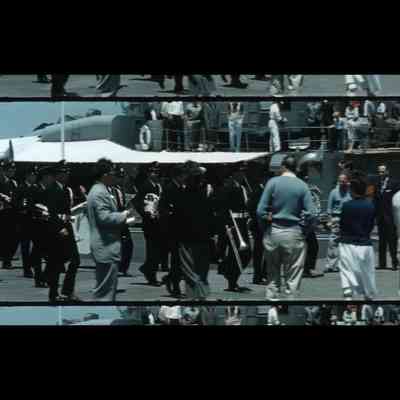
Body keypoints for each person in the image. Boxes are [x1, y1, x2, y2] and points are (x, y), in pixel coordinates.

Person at [257, 156, 315, 300]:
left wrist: (265, 228)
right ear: (296, 168)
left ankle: (272, 306)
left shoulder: (273, 182)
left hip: (274, 231)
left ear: (283, 167)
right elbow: (312, 214)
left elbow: (260, 211)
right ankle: (290, 305)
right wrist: (304, 231)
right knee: (293, 276)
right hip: (294, 231)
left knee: (272, 275)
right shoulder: (302, 185)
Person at [86, 158, 135, 301]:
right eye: (113, 173)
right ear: (105, 175)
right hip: (105, 245)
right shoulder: (99, 192)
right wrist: (125, 215)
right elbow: (104, 217)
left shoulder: (101, 190)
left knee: (106, 288)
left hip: (107, 245)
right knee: (105, 291)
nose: (115, 177)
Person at [174, 162, 215, 300]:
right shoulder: (206, 195)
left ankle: (195, 298)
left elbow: (177, 217)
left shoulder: (181, 194)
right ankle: (202, 296)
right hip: (203, 237)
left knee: (190, 273)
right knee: (202, 272)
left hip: (186, 238)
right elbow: (211, 216)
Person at [338, 171, 377, 300]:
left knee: (347, 273)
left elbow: (342, 225)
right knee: (367, 275)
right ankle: (368, 298)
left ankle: (348, 298)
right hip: (365, 244)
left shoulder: (346, 206)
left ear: (352, 190)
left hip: (347, 243)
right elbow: (371, 225)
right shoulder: (370, 206)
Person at [45, 160, 82, 302]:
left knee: (75, 260)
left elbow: (66, 211)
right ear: (57, 174)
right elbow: (50, 213)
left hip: (67, 229)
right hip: (57, 231)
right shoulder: (51, 190)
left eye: (67, 172)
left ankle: (67, 291)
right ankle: (54, 293)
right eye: (63, 173)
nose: (66, 175)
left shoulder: (66, 190)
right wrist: (59, 228)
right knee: (56, 263)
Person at [216, 163, 252, 292]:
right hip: (233, 224)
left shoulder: (242, 188)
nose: (243, 174)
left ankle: (229, 272)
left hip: (242, 223)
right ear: (234, 174)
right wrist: (227, 225)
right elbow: (223, 208)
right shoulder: (228, 187)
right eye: (240, 172)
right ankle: (232, 280)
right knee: (236, 254)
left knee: (246, 253)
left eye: (244, 172)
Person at [158, 165, 189, 298]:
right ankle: (175, 288)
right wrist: (172, 214)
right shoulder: (169, 188)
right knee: (176, 260)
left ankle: (170, 278)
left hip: (181, 229)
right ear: (178, 176)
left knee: (180, 260)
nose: (185, 177)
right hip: (172, 230)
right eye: (184, 175)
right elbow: (162, 207)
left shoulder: (182, 188)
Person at [133, 162, 163, 286]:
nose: (155, 174)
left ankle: (147, 268)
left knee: (158, 249)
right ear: (148, 173)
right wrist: (145, 213)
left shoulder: (158, 186)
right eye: (153, 172)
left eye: (157, 172)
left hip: (158, 221)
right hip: (149, 222)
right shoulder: (145, 186)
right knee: (152, 250)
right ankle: (151, 275)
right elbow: (136, 201)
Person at [13, 165, 39, 278]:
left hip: (35, 220)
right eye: (32, 175)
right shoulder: (20, 188)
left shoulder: (36, 188)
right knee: (25, 245)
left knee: (38, 244)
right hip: (24, 220)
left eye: (35, 175)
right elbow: (14, 202)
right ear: (27, 176)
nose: (34, 177)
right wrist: (22, 208)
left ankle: (31, 262)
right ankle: (27, 269)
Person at [325, 173, 352, 273]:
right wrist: (329, 220)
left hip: (348, 219)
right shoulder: (334, 192)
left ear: (347, 181)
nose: (341, 183)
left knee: (347, 243)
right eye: (340, 181)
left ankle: (344, 265)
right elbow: (329, 208)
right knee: (333, 243)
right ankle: (330, 265)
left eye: (343, 181)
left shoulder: (351, 192)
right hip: (336, 218)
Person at [374, 164, 400, 270]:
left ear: (387, 172)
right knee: (381, 241)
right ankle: (382, 263)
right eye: (379, 171)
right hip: (380, 217)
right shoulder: (377, 184)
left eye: (382, 171)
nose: (381, 173)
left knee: (392, 241)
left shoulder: (394, 183)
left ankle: (394, 263)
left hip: (390, 217)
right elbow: (375, 200)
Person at [111, 167, 134, 277]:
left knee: (128, 245)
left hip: (122, 219)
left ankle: (123, 268)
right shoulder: (111, 190)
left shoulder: (121, 189)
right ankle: (118, 268)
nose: (121, 179)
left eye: (122, 177)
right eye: (119, 177)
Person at [0, 161, 19, 270]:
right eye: (10, 170)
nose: (12, 172)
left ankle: (7, 260)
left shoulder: (13, 183)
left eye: (13, 170)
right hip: (1, 213)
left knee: (11, 238)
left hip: (10, 213)